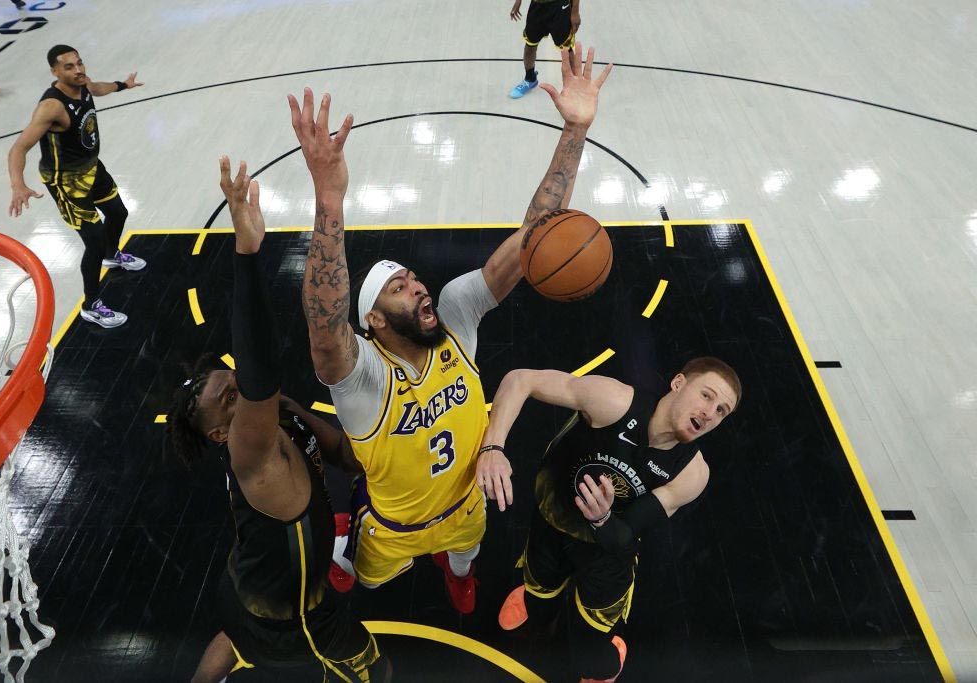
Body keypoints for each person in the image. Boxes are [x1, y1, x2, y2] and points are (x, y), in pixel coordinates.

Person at [289, 44, 611, 614]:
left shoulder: (457, 313)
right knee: (366, 581)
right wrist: (329, 199)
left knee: (467, 555)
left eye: (414, 280)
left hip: (467, 500)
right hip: (392, 527)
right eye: (399, 289)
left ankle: (458, 575)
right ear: (373, 322)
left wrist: (574, 130)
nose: (418, 287)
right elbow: (322, 323)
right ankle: (347, 531)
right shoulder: (361, 376)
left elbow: (533, 239)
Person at [172, 158, 387, 682]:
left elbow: (340, 455)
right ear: (222, 435)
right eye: (229, 400)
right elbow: (261, 365)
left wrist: (298, 412)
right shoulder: (252, 454)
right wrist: (247, 252)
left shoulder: (276, 422)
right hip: (295, 618)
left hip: (245, 581)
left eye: (232, 383)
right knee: (374, 674)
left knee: (231, 632)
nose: (241, 392)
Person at [478, 358, 741, 682]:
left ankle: (601, 665)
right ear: (678, 383)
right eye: (707, 396)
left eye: (721, 411)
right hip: (553, 515)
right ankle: (535, 602)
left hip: (607, 549)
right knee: (538, 588)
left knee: (593, 636)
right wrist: (493, 446)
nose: (710, 412)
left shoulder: (692, 474)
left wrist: (602, 518)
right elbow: (519, 378)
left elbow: (626, 532)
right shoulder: (613, 402)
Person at [7, 44, 146, 329]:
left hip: (92, 167)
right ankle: (91, 305)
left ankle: (112, 255)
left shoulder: (83, 85)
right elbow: (19, 148)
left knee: (118, 213)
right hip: (67, 181)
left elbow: (98, 88)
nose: (78, 70)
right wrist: (18, 185)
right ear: (55, 72)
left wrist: (123, 85)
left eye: (79, 63)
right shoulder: (51, 106)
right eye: (69, 67)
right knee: (93, 241)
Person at [508, 0, 580, 99]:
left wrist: (575, 12)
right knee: (530, 45)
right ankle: (530, 78)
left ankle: (573, 86)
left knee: (566, 50)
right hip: (537, 6)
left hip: (559, 8)